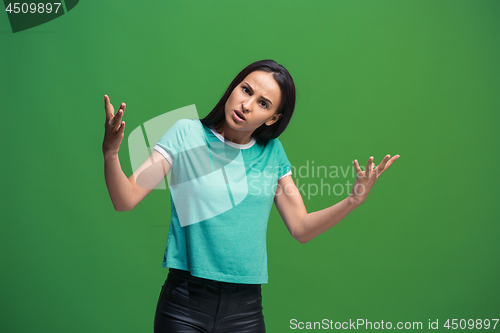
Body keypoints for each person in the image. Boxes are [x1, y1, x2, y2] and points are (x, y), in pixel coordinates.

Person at [102, 59, 400, 332]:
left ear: (273, 118)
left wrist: (354, 199)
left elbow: (301, 227)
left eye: (263, 103)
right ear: (234, 86)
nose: (246, 104)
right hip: (184, 304)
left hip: (244, 310)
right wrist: (111, 153)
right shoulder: (186, 134)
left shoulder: (272, 154)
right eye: (245, 90)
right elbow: (124, 199)